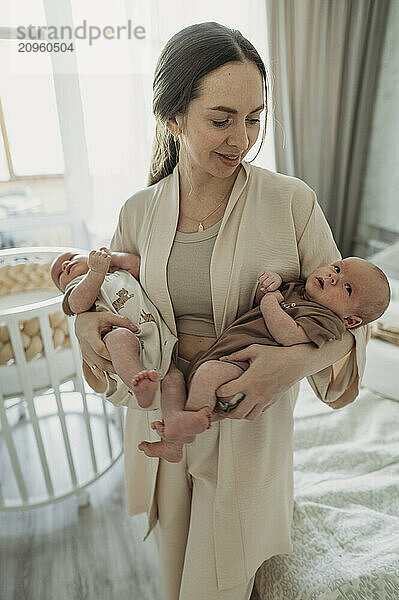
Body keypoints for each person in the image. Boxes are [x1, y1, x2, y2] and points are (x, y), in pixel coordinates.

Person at [73, 22, 369, 600]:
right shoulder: (139, 210)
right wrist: (86, 322)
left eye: (254, 117)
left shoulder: (291, 201)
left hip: (248, 424)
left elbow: (348, 319)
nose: (242, 138)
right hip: (163, 412)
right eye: (221, 119)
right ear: (174, 117)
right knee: (176, 568)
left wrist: (290, 365)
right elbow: (109, 295)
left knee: (225, 575)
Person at [141, 257, 389, 461]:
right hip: (222, 351)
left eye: (347, 288)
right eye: (336, 268)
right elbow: (265, 296)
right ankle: (173, 436)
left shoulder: (326, 319)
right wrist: (272, 285)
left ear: (351, 321)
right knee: (171, 379)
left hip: (244, 366)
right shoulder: (299, 290)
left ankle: (184, 434)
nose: (334, 277)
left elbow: (288, 336)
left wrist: (270, 301)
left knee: (207, 375)